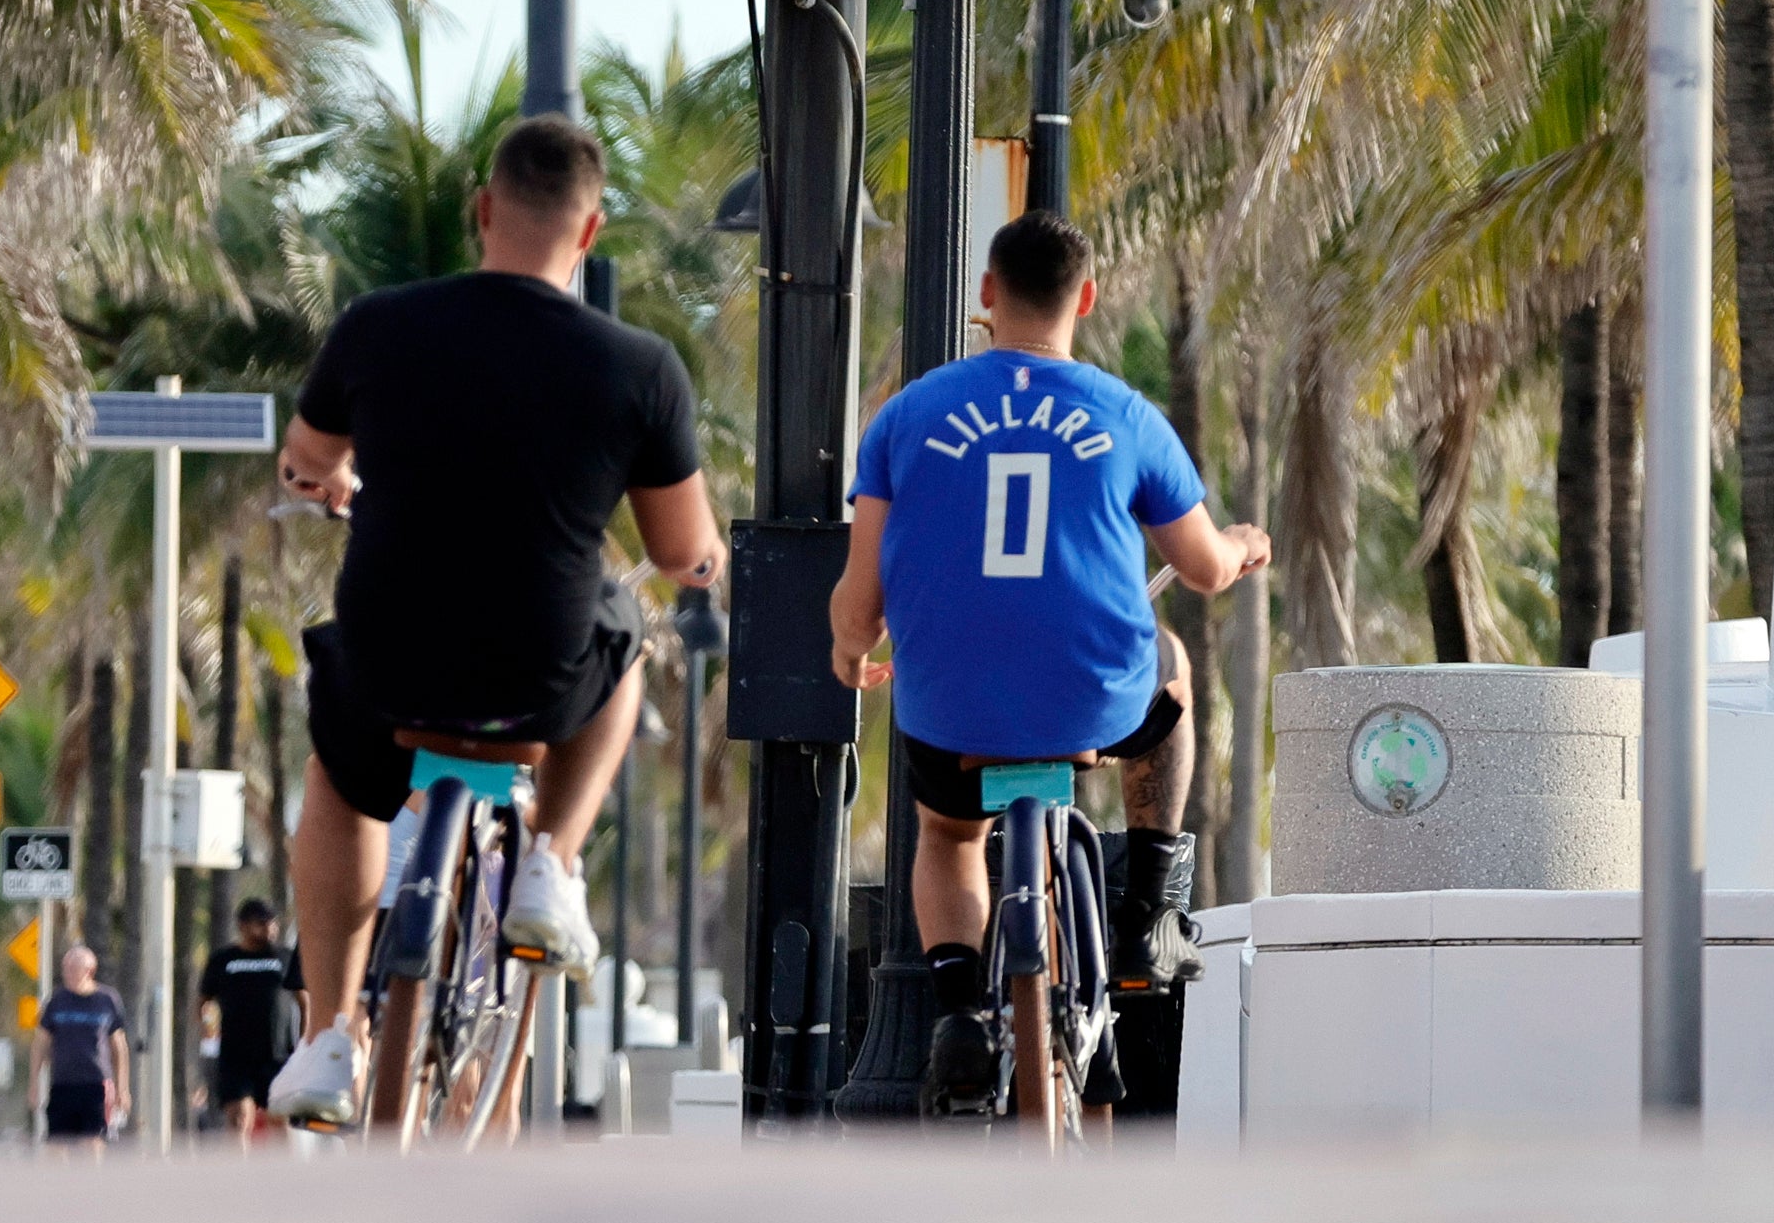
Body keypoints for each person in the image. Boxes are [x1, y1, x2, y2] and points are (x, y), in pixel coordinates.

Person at [263, 116, 726, 1129]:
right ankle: (550, 864)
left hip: (388, 667)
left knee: (339, 782)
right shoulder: (640, 366)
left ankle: (329, 1031)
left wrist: (330, 478)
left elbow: (306, 456)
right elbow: (679, 541)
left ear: (482, 209)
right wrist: (704, 560)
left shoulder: (376, 324)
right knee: (627, 635)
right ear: (591, 229)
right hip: (541, 672)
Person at [826, 211, 1271, 1111]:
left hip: (950, 708)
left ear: (986, 297)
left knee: (950, 838)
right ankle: (1151, 910)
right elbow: (1201, 569)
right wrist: (1244, 545)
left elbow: (859, 601)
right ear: (1089, 298)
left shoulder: (906, 416)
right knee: (1173, 658)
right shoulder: (1124, 414)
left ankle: (958, 1006)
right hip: (1092, 702)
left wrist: (847, 648)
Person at [197, 899, 301, 1135]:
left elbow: (304, 1002)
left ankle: (283, 1171)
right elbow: (204, 1002)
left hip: (277, 1055)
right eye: (262, 923)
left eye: (272, 923)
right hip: (236, 1056)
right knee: (239, 1117)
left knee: (279, 1119)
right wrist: (209, 1031)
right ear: (243, 925)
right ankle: (237, 1170)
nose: (270, 929)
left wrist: (305, 1040)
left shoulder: (285, 957)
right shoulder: (223, 960)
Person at [33, 945, 133, 1147]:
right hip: (62, 1085)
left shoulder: (107, 1000)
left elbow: (119, 1048)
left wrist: (123, 1088)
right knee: (56, 1146)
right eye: (65, 968)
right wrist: (34, 1082)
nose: (67, 973)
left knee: (93, 1144)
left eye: (72, 968)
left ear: (89, 971)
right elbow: (41, 1043)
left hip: (97, 1086)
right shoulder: (56, 1001)